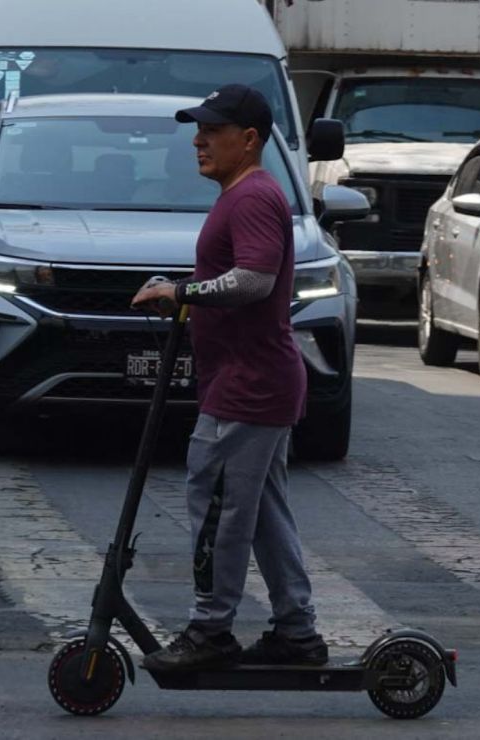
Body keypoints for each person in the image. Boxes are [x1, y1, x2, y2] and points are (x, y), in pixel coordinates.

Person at [131, 85, 326, 671]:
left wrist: (184, 292)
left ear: (248, 140)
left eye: (211, 131)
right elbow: (235, 275)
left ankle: (211, 630)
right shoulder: (243, 196)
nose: (198, 140)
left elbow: (254, 281)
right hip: (251, 381)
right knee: (262, 513)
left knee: (216, 504)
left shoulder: (252, 198)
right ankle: (297, 632)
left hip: (249, 386)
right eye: (198, 129)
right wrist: (181, 289)